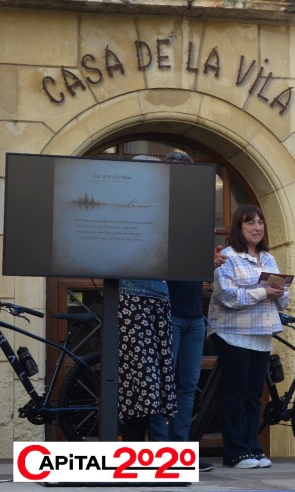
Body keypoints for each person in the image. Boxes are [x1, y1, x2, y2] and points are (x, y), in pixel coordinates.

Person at [208, 204, 289, 469]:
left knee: (254, 394)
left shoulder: (268, 258)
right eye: (250, 222)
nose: (257, 227)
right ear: (238, 227)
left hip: (261, 334)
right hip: (232, 333)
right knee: (236, 393)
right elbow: (227, 296)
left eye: (260, 222)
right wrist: (264, 292)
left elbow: (284, 299)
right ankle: (235, 452)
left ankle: (253, 447)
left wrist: (279, 293)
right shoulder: (228, 256)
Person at [149, 151, 213, 471]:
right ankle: (161, 453)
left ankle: (181, 453)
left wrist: (211, 260)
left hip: (194, 315)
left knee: (187, 387)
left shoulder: (196, 216)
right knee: (162, 385)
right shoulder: (155, 213)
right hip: (166, 312)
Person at [118, 154, 176, 441]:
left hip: (159, 296)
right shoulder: (124, 207)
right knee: (140, 378)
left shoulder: (163, 209)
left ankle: (146, 448)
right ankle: (132, 445)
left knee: (156, 380)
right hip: (132, 295)